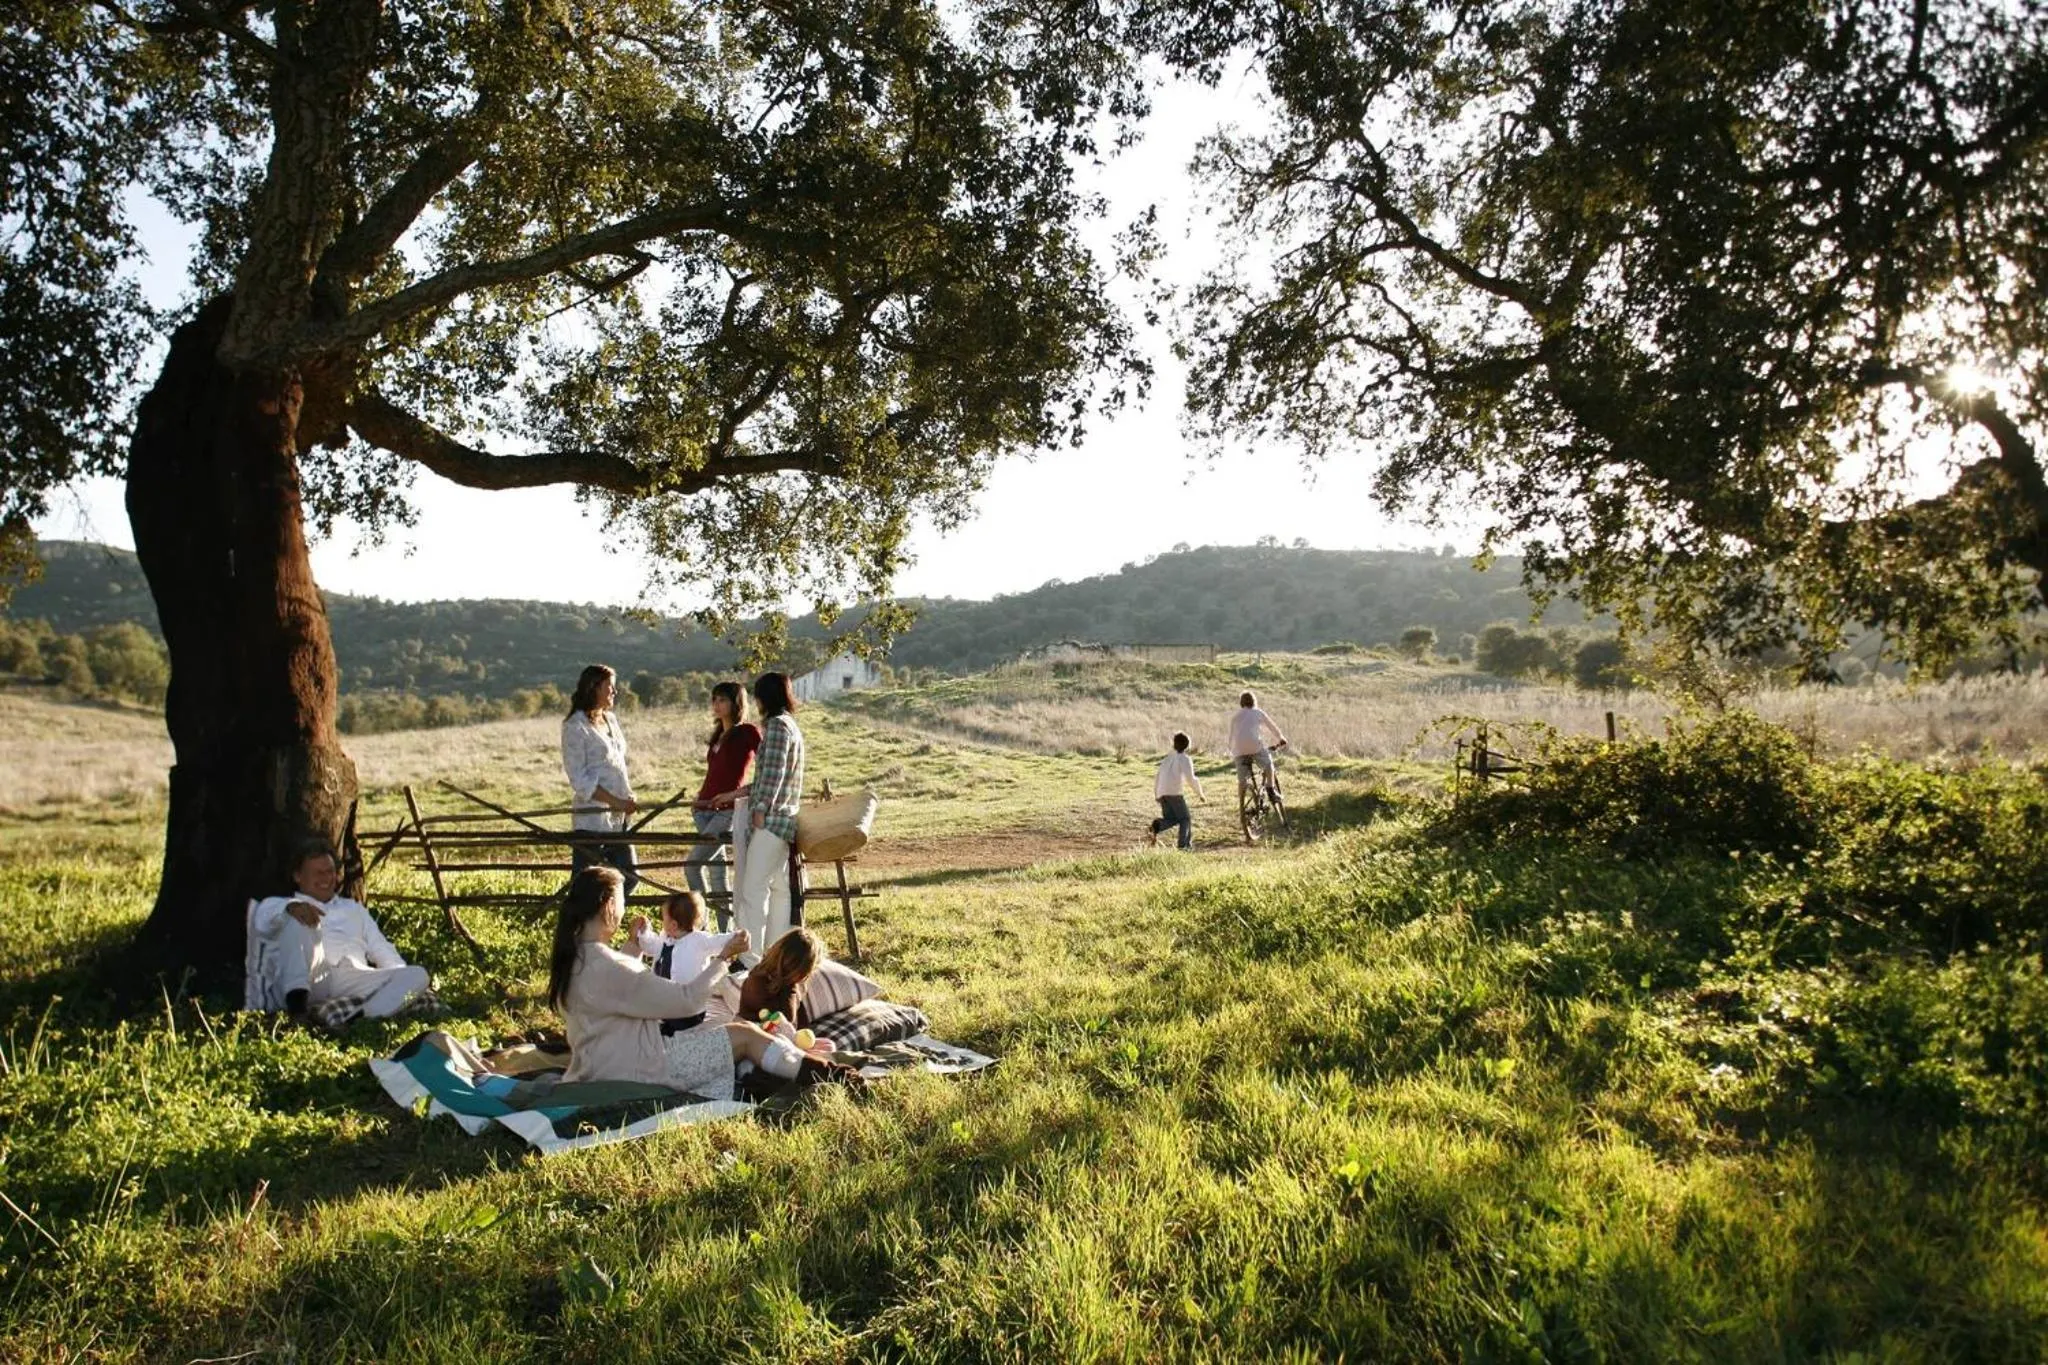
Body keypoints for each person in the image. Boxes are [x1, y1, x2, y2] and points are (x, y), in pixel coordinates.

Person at [549, 867, 853, 1096]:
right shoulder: (607, 967)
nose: (624, 909)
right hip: (641, 1071)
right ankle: (833, 1075)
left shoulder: (575, 958)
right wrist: (723, 959)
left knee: (740, 1031)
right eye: (621, 901)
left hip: (601, 1066)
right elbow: (687, 1001)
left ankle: (795, 1069)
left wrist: (632, 947)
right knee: (744, 1035)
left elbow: (619, 989)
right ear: (608, 907)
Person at [250, 841, 436, 1023]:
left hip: (353, 978)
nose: (325, 878)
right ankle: (298, 1013)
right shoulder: (283, 907)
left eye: (330, 872)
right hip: (312, 980)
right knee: (300, 923)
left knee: (418, 974)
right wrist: (291, 907)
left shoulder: (354, 909)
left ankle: (356, 1019)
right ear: (298, 876)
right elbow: (262, 914)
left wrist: (403, 980)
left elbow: (381, 949)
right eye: (317, 873)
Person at [731, 671, 804, 963]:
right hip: (785, 818)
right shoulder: (791, 726)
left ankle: (750, 960)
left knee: (753, 890)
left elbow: (772, 774)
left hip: (770, 819)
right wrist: (735, 795)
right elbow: (773, 776)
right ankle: (775, 956)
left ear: (764, 698)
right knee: (779, 890)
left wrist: (759, 808)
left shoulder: (775, 727)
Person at [561, 664, 638, 893]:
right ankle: (579, 926)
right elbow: (580, 779)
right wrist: (615, 801)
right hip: (592, 818)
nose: (614, 692)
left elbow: (616, 763)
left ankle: (604, 921)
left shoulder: (610, 720)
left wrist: (626, 795)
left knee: (629, 877)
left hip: (617, 817)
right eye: (610, 687)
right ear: (594, 688)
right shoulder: (575, 726)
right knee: (584, 883)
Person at [628, 891, 747, 1034]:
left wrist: (737, 936)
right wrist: (644, 932)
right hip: (665, 1001)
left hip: (691, 1007)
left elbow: (718, 941)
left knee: (679, 1023)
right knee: (658, 1014)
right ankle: (664, 1029)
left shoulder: (699, 941)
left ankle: (675, 1032)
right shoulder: (665, 939)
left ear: (673, 924)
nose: (662, 922)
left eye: (663, 918)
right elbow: (650, 945)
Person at [686, 681, 760, 908]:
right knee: (717, 874)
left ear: (736, 702)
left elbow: (767, 773)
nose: (716, 704)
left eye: (723, 699)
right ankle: (720, 935)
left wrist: (735, 795)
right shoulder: (718, 736)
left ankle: (701, 926)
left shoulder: (748, 732)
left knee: (692, 865)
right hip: (703, 810)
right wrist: (698, 798)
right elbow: (714, 775)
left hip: (726, 812)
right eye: (714, 699)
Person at [1149, 731, 1205, 851]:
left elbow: (1158, 776)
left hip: (1162, 792)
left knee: (1172, 819)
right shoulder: (1184, 759)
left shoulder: (1167, 759)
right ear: (1187, 746)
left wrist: (1157, 795)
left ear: (1174, 745)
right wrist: (1200, 793)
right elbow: (1191, 778)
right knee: (1185, 819)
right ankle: (1184, 846)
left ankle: (1157, 825)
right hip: (1174, 793)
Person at [1228, 689, 1289, 797]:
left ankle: (1243, 803)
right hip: (1254, 747)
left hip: (1238, 750)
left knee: (1242, 781)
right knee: (1269, 765)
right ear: (1253, 701)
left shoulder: (1235, 717)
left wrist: (1232, 750)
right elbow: (1272, 727)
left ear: (1241, 703)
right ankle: (1270, 789)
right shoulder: (1257, 712)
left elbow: (1231, 738)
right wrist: (1281, 738)